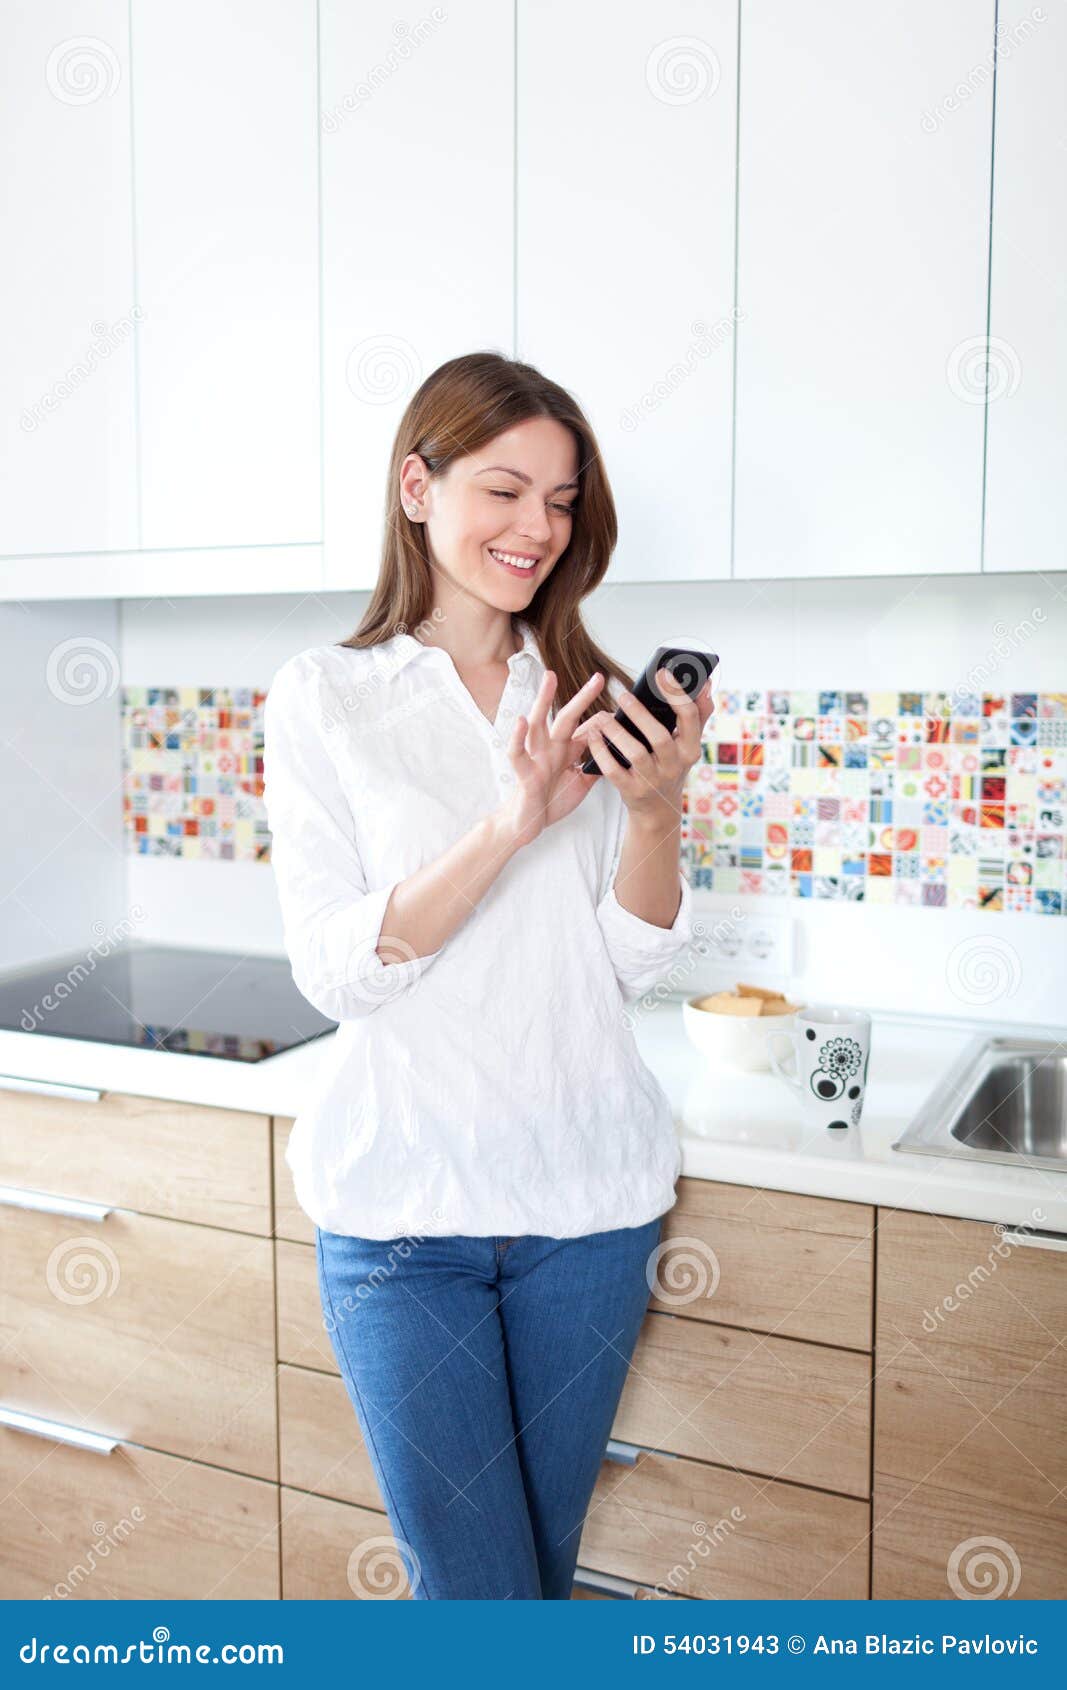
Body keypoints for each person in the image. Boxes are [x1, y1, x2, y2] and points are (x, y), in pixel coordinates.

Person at [263, 351, 713, 1599]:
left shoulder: (585, 693)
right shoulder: (326, 699)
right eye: (504, 489)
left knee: (537, 1584)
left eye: (561, 501)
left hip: (587, 1202)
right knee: (478, 1600)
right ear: (418, 485)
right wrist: (511, 820)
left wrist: (657, 813)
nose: (536, 528)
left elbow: (622, 962)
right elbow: (339, 971)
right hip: (405, 1215)